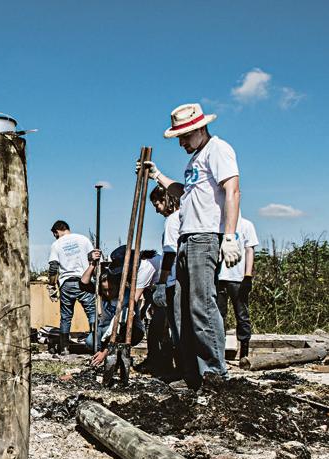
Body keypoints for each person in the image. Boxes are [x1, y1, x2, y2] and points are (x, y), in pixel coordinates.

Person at [139, 103, 242, 389]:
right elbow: (185, 194)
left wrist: (230, 236)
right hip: (187, 237)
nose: (181, 142)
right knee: (183, 309)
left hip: (205, 237)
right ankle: (193, 375)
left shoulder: (218, 149)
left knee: (202, 307)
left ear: (199, 128)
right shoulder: (195, 160)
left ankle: (214, 376)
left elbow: (233, 190)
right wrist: (157, 175)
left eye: (184, 136)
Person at [83, 246, 161, 367]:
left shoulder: (144, 269)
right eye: (105, 290)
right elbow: (84, 284)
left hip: (164, 286)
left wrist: (105, 352)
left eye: (111, 289)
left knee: (153, 325)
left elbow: (127, 311)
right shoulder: (106, 287)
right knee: (91, 340)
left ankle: (156, 361)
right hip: (111, 325)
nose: (107, 293)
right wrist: (92, 264)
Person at [144, 184, 181, 375]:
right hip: (182, 279)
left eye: (157, 204)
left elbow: (169, 254)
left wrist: (161, 283)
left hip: (173, 280)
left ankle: (181, 370)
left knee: (177, 327)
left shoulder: (172, 221)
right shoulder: (185, 217)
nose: (157, 210)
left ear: (167, 200)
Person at [47, 220, 96, 354]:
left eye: (55, 234)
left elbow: (53, 268)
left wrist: (51, 286)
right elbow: (94, 258)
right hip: (84, 281)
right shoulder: (83, 239)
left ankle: (64, 349)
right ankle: (96, 346)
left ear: (57, 231)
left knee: (66, 317)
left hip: (66, 284)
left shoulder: (56, 244)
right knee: (92, 313)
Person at [217, 216, 259, 359]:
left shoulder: (246, 225)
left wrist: (248, 276)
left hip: (237, 277)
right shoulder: (218, 223)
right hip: (219, 277)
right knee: (218, 316)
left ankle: (244, 352)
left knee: (242, 314)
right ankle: (219, 352)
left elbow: (250, 250)